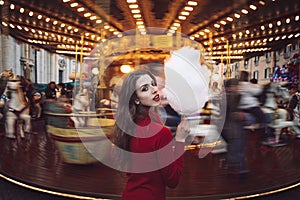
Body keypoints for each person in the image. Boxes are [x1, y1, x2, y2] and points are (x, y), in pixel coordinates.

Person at [112, 70, 190, 200]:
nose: (154, 89)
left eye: (153, 84)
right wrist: (180, 140)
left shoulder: (128, 126)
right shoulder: (160, 133)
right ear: (136, 99)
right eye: (145, 89)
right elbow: (173, 180)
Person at [238, 71, 275, 144]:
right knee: (263, 118)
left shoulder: (239, 84)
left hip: (241, 106)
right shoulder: (246, 84)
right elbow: (256, 91)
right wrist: (263, 86)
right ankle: (266, 136)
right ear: (246, 77)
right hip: (250, 106)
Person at [222, 78, 248, 174]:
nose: (238, 87)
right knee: (237, 148)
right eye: (235, 86)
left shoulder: (236, 96)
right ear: (229, 88)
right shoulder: (228, 97)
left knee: (236, 148)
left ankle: (233, 167)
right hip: (232, 129)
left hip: (232, 128)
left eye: (238, 86)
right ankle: (241, 169)